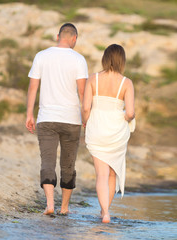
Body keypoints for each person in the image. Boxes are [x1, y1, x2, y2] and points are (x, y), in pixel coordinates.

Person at [25, 23, 88, 215]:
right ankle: (64, 207)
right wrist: (86, 117)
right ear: (74, 38)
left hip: (47, 118)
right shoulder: (79, 59)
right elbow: (83, 92)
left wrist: (29, 114)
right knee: (68, 164)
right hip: (71, 119)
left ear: (57, 36)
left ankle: (50, 205)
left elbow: (33, 87)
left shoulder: (41, 56)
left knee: (48, 162)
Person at [81, 44, 135, 223]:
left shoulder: (93, 78)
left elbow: (86, 107)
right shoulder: (126, 82)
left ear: (105, 58)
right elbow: (131, 113)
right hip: (116, 131)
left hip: (97, 128)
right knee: (112, 174)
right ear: (122, 60)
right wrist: (125, 117)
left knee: (101, 175)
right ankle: (106, 211)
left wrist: (85, 122)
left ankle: (104, 213)